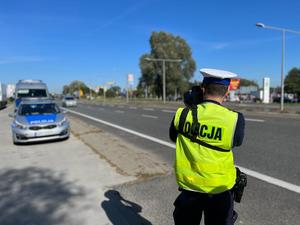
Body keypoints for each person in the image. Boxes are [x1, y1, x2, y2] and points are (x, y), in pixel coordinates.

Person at [169, 68, 245, 225]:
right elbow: (236, 142)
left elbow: (173, 137)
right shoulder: (235, 119)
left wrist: (193, 106)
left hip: (189, 189)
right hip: (219, 191)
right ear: (227, 92)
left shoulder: (183, 114)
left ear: (202, 89)